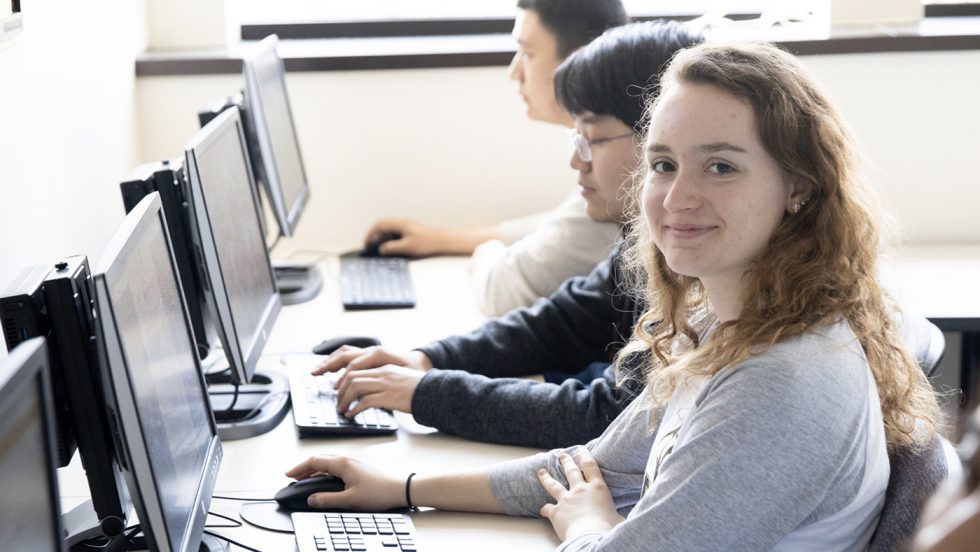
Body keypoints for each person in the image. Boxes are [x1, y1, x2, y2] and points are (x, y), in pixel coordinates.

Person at [289, 42, 943, 550]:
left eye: (720, 166)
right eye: (663, 164)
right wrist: (401, 488)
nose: (678, 197)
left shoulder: (783, 380)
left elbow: (594, 502)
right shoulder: (726, 321)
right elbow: (594, 465)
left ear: (798, 186)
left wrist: (589, 524)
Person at [316, 21, 704, 450]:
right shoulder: (646, 241)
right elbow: (565, 321)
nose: (577, 162)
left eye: (591, 138)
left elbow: (610, 417)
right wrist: (427, 359)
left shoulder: (705, 263)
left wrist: (424, 393)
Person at [363, 0, 628, 316]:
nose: (513, 72)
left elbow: (501, 292)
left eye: (528, 54)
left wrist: (486, 253)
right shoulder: (601, 155)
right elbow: (558, 224)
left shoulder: (616, 178)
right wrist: (439, 239)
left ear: (576, 62)